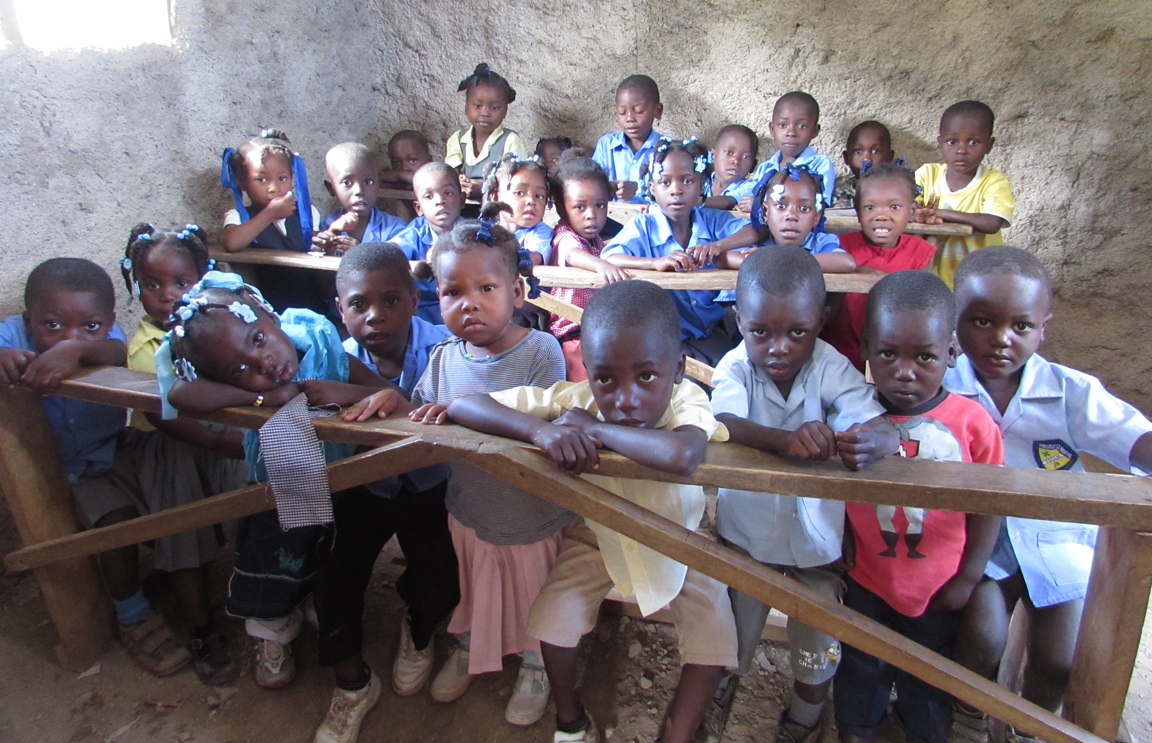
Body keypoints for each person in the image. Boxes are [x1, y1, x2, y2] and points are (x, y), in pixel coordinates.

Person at [448, 280, 739, 743]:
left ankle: (678, 732)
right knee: (551, 624)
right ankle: (570, 721)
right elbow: (466, 403)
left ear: (679, 368)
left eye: (647, 376)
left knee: (715, 640)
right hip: (600, 536)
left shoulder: (687, 400)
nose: (626, 399)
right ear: (588, 371)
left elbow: (683, 455)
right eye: (605, 379)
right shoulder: (576, 399)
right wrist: (541, 432)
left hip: (681, 537)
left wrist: (596, 430)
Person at [343, 204, 569, 727]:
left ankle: (536, 663)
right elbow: (424, 415)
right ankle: (473, 645)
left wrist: (464, 411)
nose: (470, 304)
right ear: (435, 298)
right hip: (468, 509)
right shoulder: (444, 358)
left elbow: (542, 422)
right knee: (476, 583)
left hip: (531, 511)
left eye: (486, 288)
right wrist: (395, 402)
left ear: (517, 292)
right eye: (452, 292)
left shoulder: (542, 352)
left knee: (536, 590)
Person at [944, 247, 1152, 743]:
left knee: (1061, 661)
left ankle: (1030, 727)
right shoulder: (941, 385)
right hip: (977, 546)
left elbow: (1134, 439)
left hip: (1055, 541)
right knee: (982, 640)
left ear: (1044, 328)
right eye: (982, 321)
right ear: (954, 321)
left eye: (1021, 326)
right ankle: (968, 713)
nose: (1001, 338)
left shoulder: (1069, 390)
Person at [155, 272, 388, 692]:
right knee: (273, 564)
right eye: (239, 369)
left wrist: (346, 392)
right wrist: (261, 397)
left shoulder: (318, 342)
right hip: (279, 491)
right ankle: (273, 630)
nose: (263, 363)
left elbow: (382, 390)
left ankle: (311, 603)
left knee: (326, 558)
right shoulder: (256, 387)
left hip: (340, 482)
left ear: (268, 315)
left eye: (258, 339)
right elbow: (179, 396)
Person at [705, 246, 899, 743]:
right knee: (732, 631)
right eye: (760, 332)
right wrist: (784, 441)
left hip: (818, 548)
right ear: (739, 320)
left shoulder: (830, 365)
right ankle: (720, 687)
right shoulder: (734, 367)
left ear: (822, 319)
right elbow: (725, 420)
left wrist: (875, 439)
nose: (779, 348)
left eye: (798, 332)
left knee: (818, 646)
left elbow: (873, 419)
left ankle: (805, 718)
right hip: (745, 539)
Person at [0, 258, 196, 678]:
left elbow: (114, 351)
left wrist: (74, 350)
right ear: (28, 319)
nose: (70, 337)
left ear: (108, 321)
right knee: (116, 522)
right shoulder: (11, 335)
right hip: (70, 466)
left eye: (90, 326)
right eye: (52, 325)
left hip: (114, 446)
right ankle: (132, 613)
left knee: (175, 488)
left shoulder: (107, 341)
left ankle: (174, 577)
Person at [835, 270, 1003, 743]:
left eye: (925, 356)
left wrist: (968, 577)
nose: (905, 371)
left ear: (951, 352)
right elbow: (835, 487)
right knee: (861, 665)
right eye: (888, 354)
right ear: (866, 348)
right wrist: (841, 542)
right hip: (867, 577)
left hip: (940, 583)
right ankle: (857, 730)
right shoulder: (852, 414)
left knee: (927, 675)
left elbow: (990, 506)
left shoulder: (972, 425)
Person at [307, 243, 458, 743]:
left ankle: (419, 627)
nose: (375, 315)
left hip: (431, 482)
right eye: (358, 304)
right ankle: (352, 684)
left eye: (391, 300)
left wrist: (370, 397)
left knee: (438, 568)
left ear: (414, 299)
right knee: (334, 573)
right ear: (339, 309)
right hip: (363, 482)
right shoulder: (331, 359)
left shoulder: (447, 349)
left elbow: (457, 416)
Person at [119, 224, 248, 685]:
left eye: (181, 282)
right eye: (152, 283)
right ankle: (201, 630)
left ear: (202, 279)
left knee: (249, 511)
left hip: (220, 434)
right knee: (182, 530)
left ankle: (271, 604)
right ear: (136, 287)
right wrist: (226, 441)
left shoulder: (211, 328)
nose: (168, 294)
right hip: (167, 447)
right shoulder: (144, 348)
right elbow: (166, 417)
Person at [601, 138, 764, 367]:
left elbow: (757, 231)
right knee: (680, 378)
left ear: (701, 185)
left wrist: (719, 246)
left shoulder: (712, 221)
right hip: (662, 339)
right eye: (665, 182)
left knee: (733, 370)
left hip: (707, 332)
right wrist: (654, 263)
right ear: (652, 188)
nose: (676, 190)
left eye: (687, 181)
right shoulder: (644, 226)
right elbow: (610, 256)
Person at [821, 163, 937, 371]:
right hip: (838, 359)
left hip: (894, 363)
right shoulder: (839, 247)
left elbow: (921, 313)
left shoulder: (920, 252)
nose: (881, 216)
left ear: (911, 211)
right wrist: (851, 273)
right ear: (857, 211)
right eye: (870, 207)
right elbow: (829, 311)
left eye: (894, 207)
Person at [219, 129, 328, 315]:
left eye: (282, 178)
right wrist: (270, 214)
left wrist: (329, 239)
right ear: (242, 182)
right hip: (266, 309)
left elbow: (315, 248)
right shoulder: (239, 216)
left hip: (311, 305)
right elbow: (232, 242)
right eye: (262, 179)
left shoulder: (307, 214)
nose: (274, 188)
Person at [547, 150, 629, 381]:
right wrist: (601, 266)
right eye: (580, 207)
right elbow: (573, 254)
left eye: (600, 205)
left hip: (598, 331)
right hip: (574, 334)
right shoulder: (565, 235)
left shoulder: (596, 240)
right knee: (585, 390)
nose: (591, 214)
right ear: (562, 208)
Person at [914, 101, 1014, 287]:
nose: (961, 150)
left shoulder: (994, 181)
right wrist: (917, 215)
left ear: (989, 145)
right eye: (952, 142)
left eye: (973, 142)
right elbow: (905, 209)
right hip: (932, 275)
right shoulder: (926, 175)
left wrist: (940, 213)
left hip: (980, 281)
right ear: (940, 143)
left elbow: (991, 222)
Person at [721, 166, 856, 274]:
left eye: (804, 208)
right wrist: (764, 260)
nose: (791, 215)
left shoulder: (819, 243)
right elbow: (724, 258)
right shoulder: (759, 239)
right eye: (781, 206)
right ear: (765, 212)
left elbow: (846, 262)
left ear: (816, 217)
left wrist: (780, 259)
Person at [391, 162, 465, 324]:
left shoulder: (473, 233)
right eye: (429, 196)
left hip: (466, 307)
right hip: (424, 314)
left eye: (448, 193)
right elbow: (389, 255)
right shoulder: (415, 234)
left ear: (462, 200)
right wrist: (424, 264)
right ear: (418, 208)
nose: (440, 201)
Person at [446, 63, 528, 200]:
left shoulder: (510, 141)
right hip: (460, 208)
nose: (485, 113)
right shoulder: (457, 140)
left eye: (494, 108)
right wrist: (460, 183)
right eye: (477, 106)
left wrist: (485, 189)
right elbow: (449, 177)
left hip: (498, 209)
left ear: (505, 111)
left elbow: (517, 183)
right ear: (466, 107)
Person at [313, 143, 406, 256]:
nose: (359, 191)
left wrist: (362, 253)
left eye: (368, 182)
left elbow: (398, 263)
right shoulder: (324, 228)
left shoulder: (395, 229)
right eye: (347, 182)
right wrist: (324, 249)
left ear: (379, 183)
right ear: (331, 188)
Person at [748, 92, 836, 206]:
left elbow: (819, 205)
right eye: (783, 125)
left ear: (815, 131)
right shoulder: (765, 168)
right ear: (772, 129)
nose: (791, 133)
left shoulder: (820, 165)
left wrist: (758, 205)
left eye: (802, 126)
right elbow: (751, 198)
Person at [592, 74, 666, 203]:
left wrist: (639, 188)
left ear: (657, 111)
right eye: (622, 112)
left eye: (639, 110)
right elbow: (590, 185)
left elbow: (673, 192)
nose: (629, 118)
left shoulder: (668, 149)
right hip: (612, 215)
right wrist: (608, 187)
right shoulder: (606, 145)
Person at [483, 153, 554, 265]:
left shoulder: (541, 232)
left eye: (539, 196)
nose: (531, 200)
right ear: (495, 197)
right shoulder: (485, 230)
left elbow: (533, 258)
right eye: (520, 193)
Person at [832, 121, 895, 208]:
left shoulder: (897, 189)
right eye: (858, 151)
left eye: (876, 151)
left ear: (889, 157)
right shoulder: (837, 189)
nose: (867, 159)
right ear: (846, 157)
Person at [704, 124, 760, 211]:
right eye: (729, 153)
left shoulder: (751, 187)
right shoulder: (701, 183)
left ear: (753, 165)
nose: (736, 160)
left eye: (746, 157)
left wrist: (694, 203)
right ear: (713, 155)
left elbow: (729, 202)